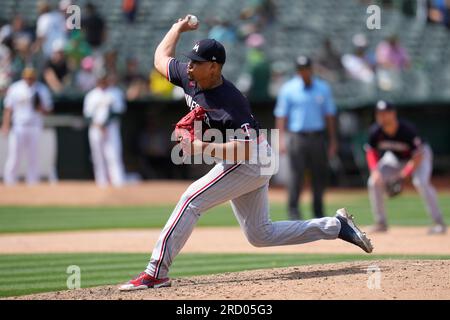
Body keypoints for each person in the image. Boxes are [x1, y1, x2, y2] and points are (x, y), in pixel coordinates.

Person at [118, 15, 373, 291]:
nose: (189, 65)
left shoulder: (232, 102)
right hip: (245, 158)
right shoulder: (190, 76)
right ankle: (336, 226)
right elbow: (160, 59)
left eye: (197, 62)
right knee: (260, 235)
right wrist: (176, 28)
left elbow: (246, 149)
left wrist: (201, 147)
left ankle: (155, 272)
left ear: (214, 68)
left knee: (191, 199)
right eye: (189, 60)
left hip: (252, 160)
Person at [365, 100, 446, 235]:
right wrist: (375, 171)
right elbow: (371, 152)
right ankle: (381, 223)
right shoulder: (375, 131)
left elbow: (418, 156)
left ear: (393, 114)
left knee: (420, 182)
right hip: (395, 158)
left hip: (420, 156)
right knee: (373, 182)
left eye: (386, 113)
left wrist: (404, 175)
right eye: (379, 113)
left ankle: (439, 223)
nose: (382, 116)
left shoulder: (407, 130)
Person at [274, 56, 338, 220]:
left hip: (318, 137)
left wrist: (332, 140)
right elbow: (281, 116)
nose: (304, 72)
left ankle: (318, 212)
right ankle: (293, 212)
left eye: (306, 68)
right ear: (297, 71)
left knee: (319, 176)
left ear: (311, 69)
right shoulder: (289, 88)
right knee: (296, 176)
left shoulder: (322, 88)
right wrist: (281, 139)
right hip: (297, 137)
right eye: (301, 69)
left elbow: (329, 115)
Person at [1, 67, 53, 185]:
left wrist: (41, 108)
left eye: (31, 77)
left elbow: (48, 109)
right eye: (27, 77)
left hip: (34, 125)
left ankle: (33, 181)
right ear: (23, 76)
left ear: (35, 77)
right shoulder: (15, 88)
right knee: (14, 155)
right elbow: (8, 109)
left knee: (33, 156)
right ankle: (10, 181)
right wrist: (5, 125)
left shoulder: (41, 89)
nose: (29, 79)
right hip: (18, 126)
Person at [83, 72, 126, 187]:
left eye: (104, 79)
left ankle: (118, 181)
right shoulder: (91, 95)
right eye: (100, 79)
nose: (102, 81)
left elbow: (118, 112)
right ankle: (101, 182)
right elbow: (87, 115)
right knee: (97, 155)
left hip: (111, 128)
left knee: (113, 154)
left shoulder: (115, 92)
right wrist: (97, 124)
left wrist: (105, 124)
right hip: (95, 128)